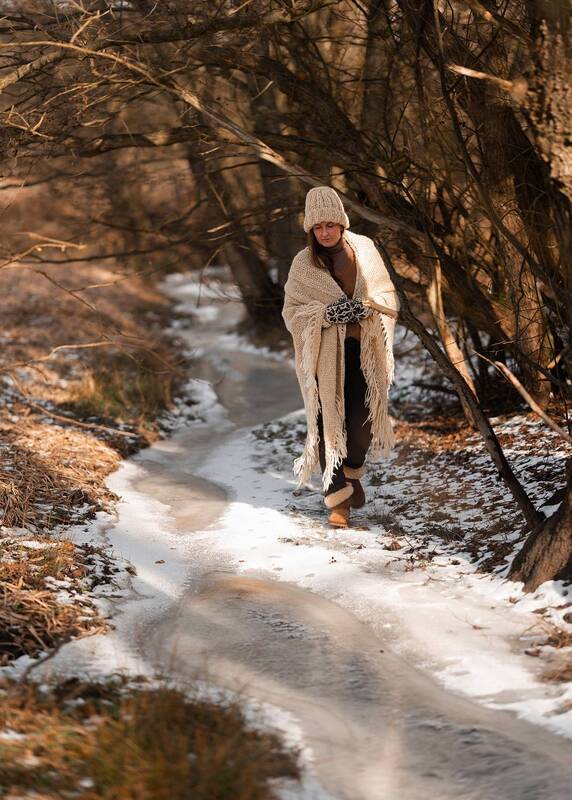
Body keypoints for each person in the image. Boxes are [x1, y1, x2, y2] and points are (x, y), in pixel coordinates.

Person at [282, 185, 400, 527]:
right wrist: (325, 315)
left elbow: (387, 295)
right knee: (327, 422)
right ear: (311, 229)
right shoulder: (303, 264)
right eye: (318, 227)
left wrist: (368, 306)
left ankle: (352, 471)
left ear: (342, 222)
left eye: (330, 224)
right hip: (324, 355)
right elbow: (292, 312)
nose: (325, 232)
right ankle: (338, 499)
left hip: (364, 352)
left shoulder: (365, 249)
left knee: (362, 424)